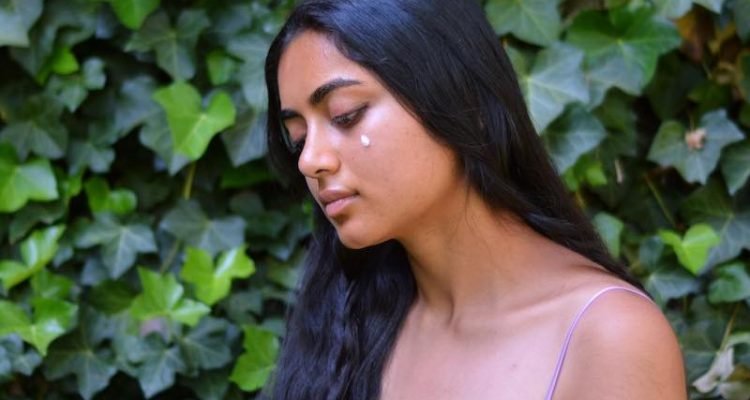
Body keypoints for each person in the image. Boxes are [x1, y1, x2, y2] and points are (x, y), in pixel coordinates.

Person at [263, 0, 687, 399]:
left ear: (464, 102)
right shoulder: (349, 322)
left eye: (345, 115)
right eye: (297, 137)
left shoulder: (606, 336)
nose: (311, 160)